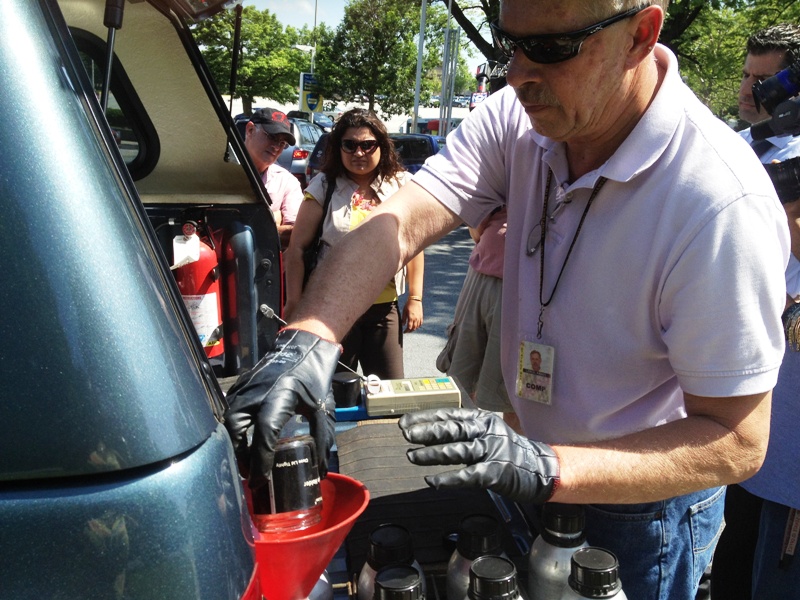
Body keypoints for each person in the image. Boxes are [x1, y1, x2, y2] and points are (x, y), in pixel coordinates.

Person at [223, 3, 789, 598]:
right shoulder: (524, 114)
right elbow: (407, 216)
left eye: (549, 48)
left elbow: (737, 442)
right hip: (532, 462)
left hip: (637, 508)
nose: (515, 74)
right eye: (508, 45)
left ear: (640, 35)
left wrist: (550, 468)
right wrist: (310, 335)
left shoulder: (721, 202)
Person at [711, 23, 800, 599]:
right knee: (737, 538)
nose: (751, 92)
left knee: (776, 559)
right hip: (736, 381)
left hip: (791, 387)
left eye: (766, 82)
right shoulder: (736, 148)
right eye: (747, 76)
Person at [283, 108, 424, 380]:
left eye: (367, 145)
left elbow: (415, 245)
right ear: (339, 148)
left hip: (384, 310)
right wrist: (294, 302)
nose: (359, 153)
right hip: (330, 309)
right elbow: (296, 250)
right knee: (332, 395)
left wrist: (415, 299)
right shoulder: (323, 186)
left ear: (381, 146)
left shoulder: (402, 185)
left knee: (388, 395)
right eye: (350, 145)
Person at [436, 208, 515, 421]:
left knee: (516, 385)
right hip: (490, 275)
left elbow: (478, 228)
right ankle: (467, 439)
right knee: (469, 370)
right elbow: (477, 228)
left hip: (517, 282)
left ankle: (464, 437)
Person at [244, 108, 303, 250]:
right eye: (271, 136)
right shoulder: (222, 172)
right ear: (250, 130)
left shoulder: (287, 182)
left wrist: (250, 226)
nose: (277, 147)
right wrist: (272, 220)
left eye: (283, 143)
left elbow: (295, 234)